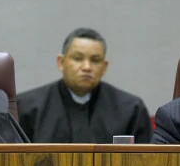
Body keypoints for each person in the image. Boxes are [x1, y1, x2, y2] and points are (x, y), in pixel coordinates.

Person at [17, 27, 152, 143]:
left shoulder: (130, 109)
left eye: (95, 60)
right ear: (61, 62)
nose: (87, 67)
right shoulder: (27, 107)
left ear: (104, 67)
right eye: (77, 58)